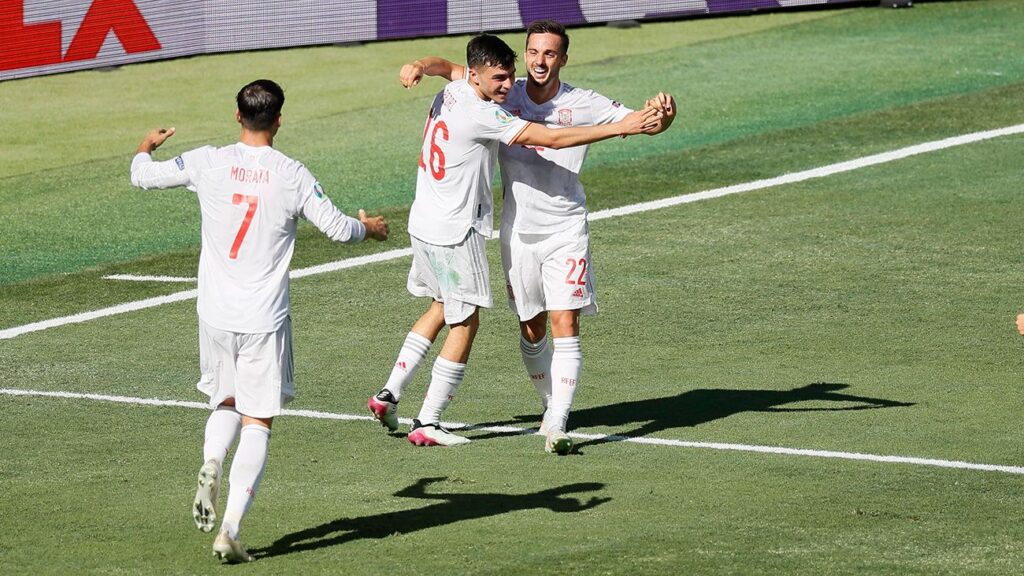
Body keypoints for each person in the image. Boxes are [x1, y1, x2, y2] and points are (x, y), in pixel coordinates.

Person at [129, 79, 389, 563]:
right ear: (280, 121)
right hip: (263, 318)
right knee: (259, 419)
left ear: (237, 116)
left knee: (225, 400)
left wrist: (146, 144)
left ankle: (211, 460)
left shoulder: (208, 160)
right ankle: (229, 529)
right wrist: (370, 229)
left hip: (214, 313)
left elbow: (141, 175)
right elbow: (337, 228)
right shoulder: (291, 173)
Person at [367, 33, 663, 447]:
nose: (508, 86)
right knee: (465, 320)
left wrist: (418, 64)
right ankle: (429, 420)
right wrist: (620, 128)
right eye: (500, 79)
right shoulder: (484, 113)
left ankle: (389, 393)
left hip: (424, 223)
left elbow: (442, 66)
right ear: (477, 74)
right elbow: (552, 138)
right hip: (456, 230)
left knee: (440, 306)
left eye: (511, 77)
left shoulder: (455, 90)